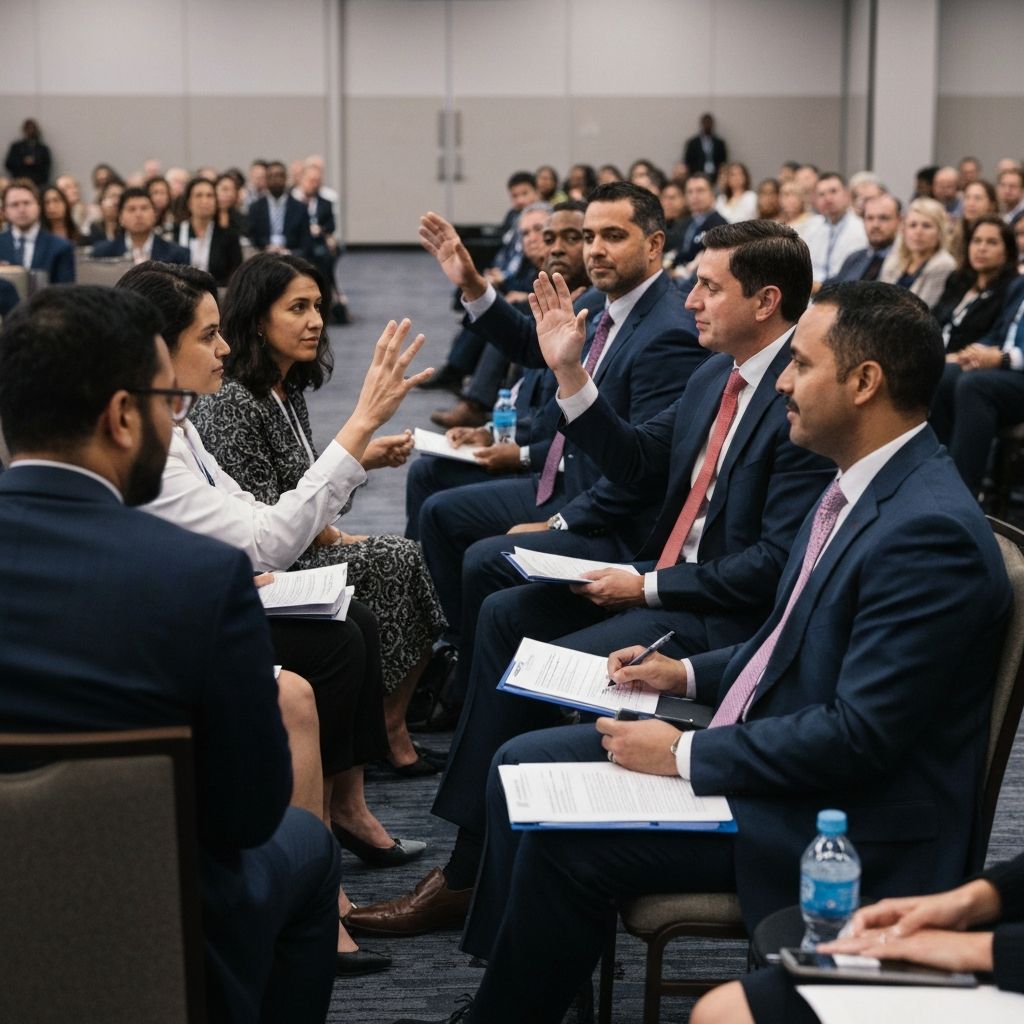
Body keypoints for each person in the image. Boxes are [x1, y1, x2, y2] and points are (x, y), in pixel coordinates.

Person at [395, 281, 1011, 1024]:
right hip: (781, 751)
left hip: (842, 821)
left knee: (564, 841)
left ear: (864, 383)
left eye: (801, 365)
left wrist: (682, 757)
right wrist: (683, 673)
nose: (781, 379)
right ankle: (517, 990)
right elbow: (791, 640)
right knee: (523, 761)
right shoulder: (872, 487)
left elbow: (861, 738)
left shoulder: (927, 534)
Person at [352, 221, 834, 940]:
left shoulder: (799, 402)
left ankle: (470, 871)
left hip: (721, 617)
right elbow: (637, 462)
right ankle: (473, 852)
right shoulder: (718, 373)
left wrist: (643, 588)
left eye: (708, 285)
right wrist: (572, 376)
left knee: (534, 657)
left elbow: (770, 567)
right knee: (507, 613)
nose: (691, 297)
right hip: (670, 572)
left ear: (765, 302)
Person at [0, 284, 343, 1022]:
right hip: (158, 920)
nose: (175, 419)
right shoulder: (196, 578)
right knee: (309, 847)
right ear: (123, 417)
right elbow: (248, 815)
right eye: (169, 404)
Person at [185, 253, 446, 776]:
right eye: (298, 308)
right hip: (268, 564)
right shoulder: (233, 401)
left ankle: (386, 725)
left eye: (319, 307)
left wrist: (360, 459)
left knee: (405, 557)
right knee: (395, 560)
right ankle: (380, 733)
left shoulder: (287, 385)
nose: (316, 321)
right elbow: (267, 522)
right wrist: (353, 455)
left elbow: (304, 489)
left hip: (291, 542)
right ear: (259, 319)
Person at [413, 183, 705, 650]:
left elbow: (643, 470)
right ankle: (440, 648)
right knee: (439, 507)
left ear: (654, 245)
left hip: (607, 514)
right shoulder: (598, 303)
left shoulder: (668, 332)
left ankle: (461, 670)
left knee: (486, 560)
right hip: (564, 479)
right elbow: (531, 345)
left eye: (612, 235)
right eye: (589, 237)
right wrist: (472, 285)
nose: (595, 250)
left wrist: (560, 523)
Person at [404, 202, 591, 538]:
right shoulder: (548, 306)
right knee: (425, 472)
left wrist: (517, 454)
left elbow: (569, 431)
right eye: (549, 238)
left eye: (572, 237)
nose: (556, 247)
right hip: (522, 446)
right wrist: (490, 430)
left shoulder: (592, 319)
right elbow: (527, 395)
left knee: (437, 499)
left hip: (557, 473)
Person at [692, 852, 1024, 1022]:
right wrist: (970, 901)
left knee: (728, 1014)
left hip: (1005, 959)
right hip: (1003, 936)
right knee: (725, 1010)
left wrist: (984, 950)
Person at [929, 271, 1024, 494]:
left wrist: (1004, 358)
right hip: (1004, 371)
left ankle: (960, 492)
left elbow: (1005, 352)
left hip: (1014, 372)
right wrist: (972, 353)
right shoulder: (1019, 285)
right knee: (943, 374)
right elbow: (997, 333)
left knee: (975, 385)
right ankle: (933, 477)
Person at [932, 215, 1018, 353]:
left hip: (966, 363)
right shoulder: (957, 280)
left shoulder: (1011, 289)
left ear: (1007, 251)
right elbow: (933, 319)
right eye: (976, 241)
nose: (981, 248)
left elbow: (994, 338)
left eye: (992, 242)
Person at [878, 197, 957, 307]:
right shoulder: (895, 259)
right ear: (904, 230)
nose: (918, 232)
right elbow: (878, 300)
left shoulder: (943, 264)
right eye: (913, 225)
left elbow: (923, 309)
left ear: (940, 232)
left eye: (926, 226)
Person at [0, 179, 75, 283]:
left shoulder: (60, 247)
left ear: (38, 207)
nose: (21, 210)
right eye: (14, 205)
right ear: (5, 211)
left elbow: (66, 292)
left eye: (27, 203)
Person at [802, 172, 868, 289]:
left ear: (846, 195)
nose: (827, 198)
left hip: (843, 292)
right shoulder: (812, 225)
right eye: (821, 194)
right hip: (808, 293)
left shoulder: (862, 228)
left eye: (833, 191)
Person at [92, 187, 190, 265]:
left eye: (144, 208)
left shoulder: (177, 254)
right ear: (121, 217)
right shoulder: (102, 253)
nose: (138, 214)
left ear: (155, 215)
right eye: (131, 209)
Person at [177, 176, 242, 286]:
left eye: (210, 195)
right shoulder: (175, 232)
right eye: (199, 195)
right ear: (189, 202)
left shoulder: (229, 236)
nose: (205, 201)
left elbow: (236, 272)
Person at [826, 192, 900, 284]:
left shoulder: (908, 263)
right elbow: (832, 289)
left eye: (883, 218)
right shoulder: (855, 258)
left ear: (899, 221)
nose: (875, 225)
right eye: (870, 218)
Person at [248, 160, 310, 253]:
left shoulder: (300, 208)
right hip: (263, 258)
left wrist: (288, 252)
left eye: (279, 175)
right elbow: (252, 238)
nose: (275, 180)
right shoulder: (255, 208)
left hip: (292, 258)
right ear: (266, 180)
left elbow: (306, 243)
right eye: (271, 176)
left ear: (286, 178)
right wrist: (266, 249)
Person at [4, 118, 50, 187]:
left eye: (32, 128)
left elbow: (47, 166)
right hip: (19, 182)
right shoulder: (16, 147)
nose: (30, 131)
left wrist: (35, 162)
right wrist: (23, 162)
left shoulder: (43, 149)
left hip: (38, 184)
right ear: (24, 130)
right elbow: (9, 164)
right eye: (28, 128)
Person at [683, 112, 728, 178]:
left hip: (715, 175)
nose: (707, 125)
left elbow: (723, 161)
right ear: (701, 124)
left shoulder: (719, 143)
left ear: (712, 124)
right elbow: (688, 160)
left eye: (709, 123)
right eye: (705, 123)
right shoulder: (693, 143)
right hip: (697, 174)